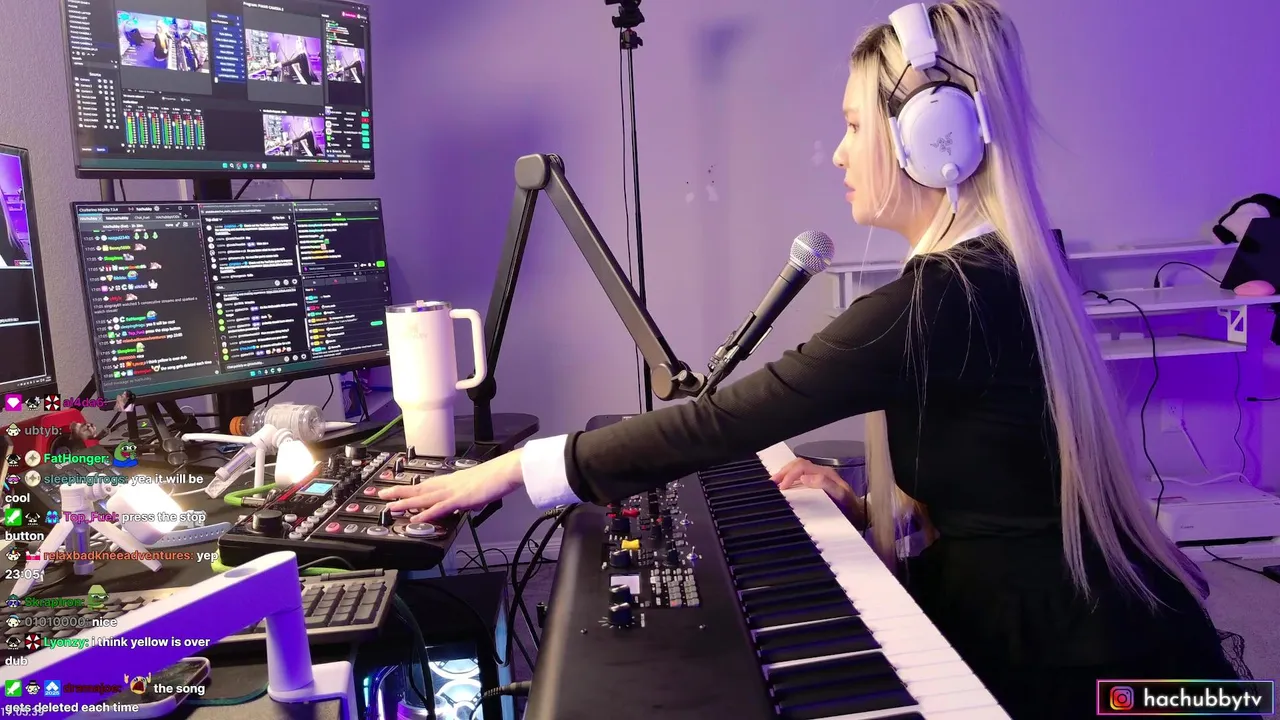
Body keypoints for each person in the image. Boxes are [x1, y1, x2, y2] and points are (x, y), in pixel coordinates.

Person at [379, 1, 1249, 717]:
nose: (838, 153)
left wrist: (511, 470)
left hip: (1101, 677)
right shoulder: (1003, 268)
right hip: (1131, 635)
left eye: (853, 126)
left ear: (933, 137)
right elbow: (1007, 486)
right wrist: (867, 508)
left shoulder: (940, 300)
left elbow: (720, 423)